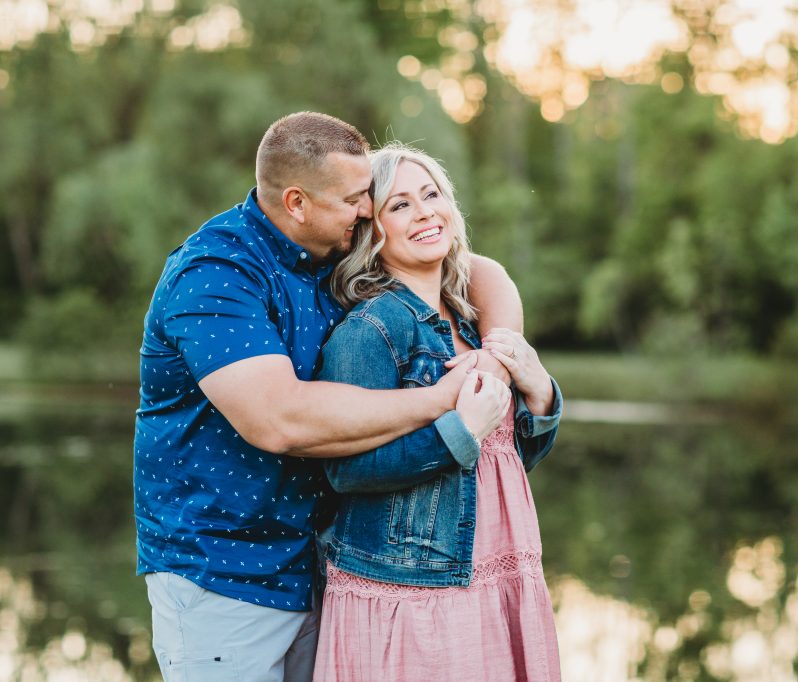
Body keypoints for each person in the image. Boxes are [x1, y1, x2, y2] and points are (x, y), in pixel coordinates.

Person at [134, 112, 520, 682]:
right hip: (222, 572)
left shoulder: (328, 248)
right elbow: (278, 420)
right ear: (297, 202)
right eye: (354, 199)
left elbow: (477, 267)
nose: (366, 210)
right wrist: (444, 401)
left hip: (319, 568)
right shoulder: (215, 273)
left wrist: (500, 350)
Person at [312, 143, 562, 681]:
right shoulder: (370, 332)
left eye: (431, 195)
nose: (424, 212)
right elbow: (345, 470)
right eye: (399, 205)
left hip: (497, 573)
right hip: (413, 589)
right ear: (370, 231)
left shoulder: (471, 321)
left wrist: (540, 394)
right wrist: (456, 433)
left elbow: (503, 463)